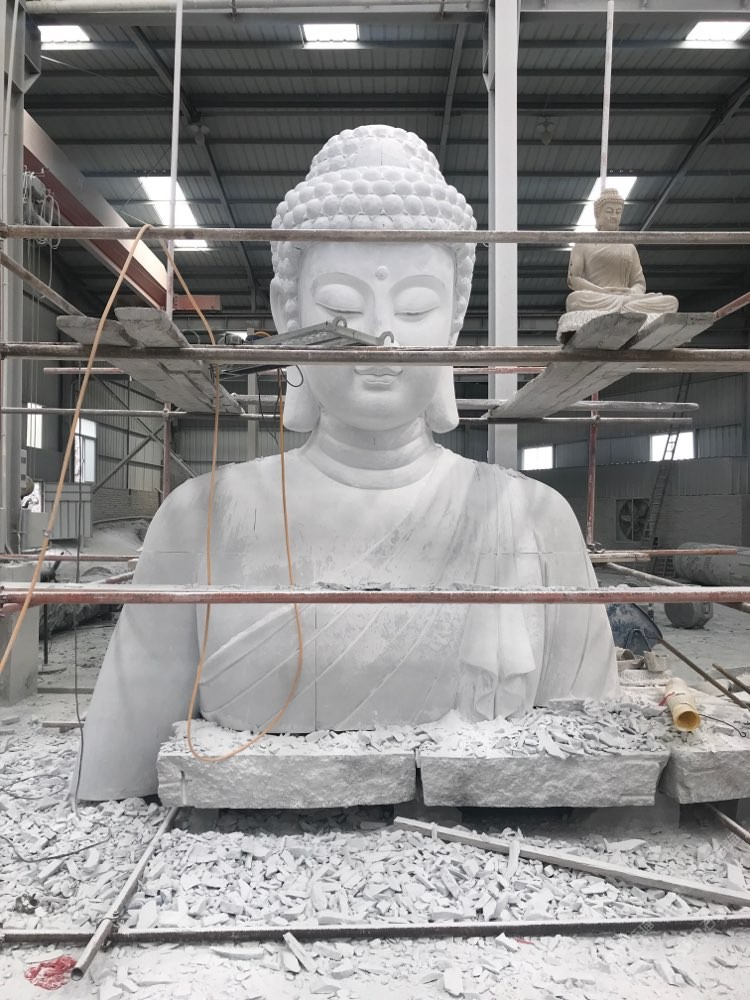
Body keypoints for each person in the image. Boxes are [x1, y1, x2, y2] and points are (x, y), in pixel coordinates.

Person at [75, 126, 618, 800]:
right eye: (341, 307)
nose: (380, 337)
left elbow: (598, 765)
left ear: (452, 326)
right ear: (290, 315)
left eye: (415, 306)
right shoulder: (202, 517)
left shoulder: (535, 519)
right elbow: (117, 774)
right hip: (256, 857)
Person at [565, 187, 679, 319]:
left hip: (627, 297)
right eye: (609, 211)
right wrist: (601, 291)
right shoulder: (583, 243)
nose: (614, 216)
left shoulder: (629, 246)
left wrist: (631, 292)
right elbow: (573, 279)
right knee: (574, 300)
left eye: (618, 212)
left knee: (671, 301)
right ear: (597, 214)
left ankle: (624, 306)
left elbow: (639, 283)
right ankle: (626, 308)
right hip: (599, 297)